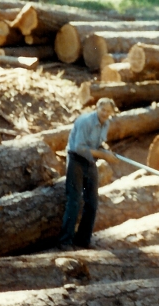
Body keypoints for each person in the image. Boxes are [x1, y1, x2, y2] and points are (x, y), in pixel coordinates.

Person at [57, 98, 119, 250]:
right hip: (76, 158)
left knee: (92, 202)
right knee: (75, 200)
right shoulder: (86, 121)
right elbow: (79, 147)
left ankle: (83, 240)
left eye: (108, 111)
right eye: (102, 110)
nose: (105, 113)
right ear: (97, 108)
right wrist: (104, 156)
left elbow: (98, 143)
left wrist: (106, 150)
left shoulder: (106, 123)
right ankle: (65, 241)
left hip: (90, 160)